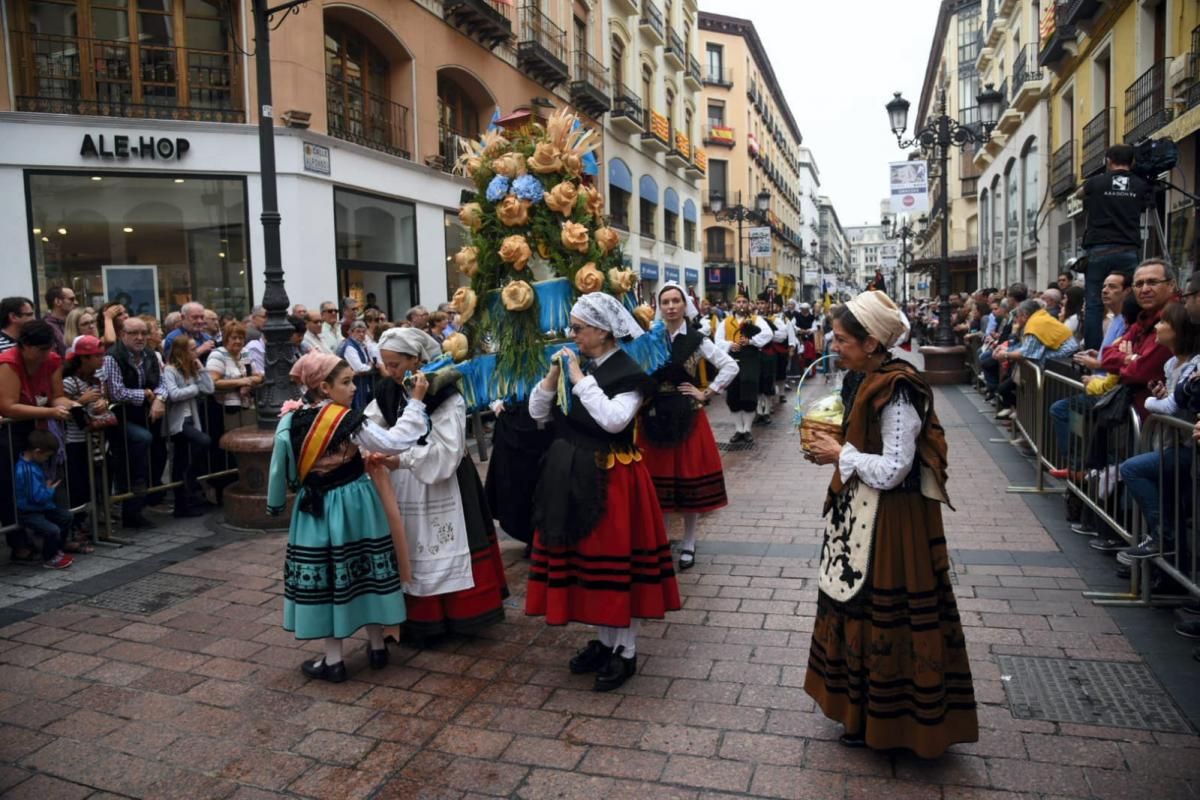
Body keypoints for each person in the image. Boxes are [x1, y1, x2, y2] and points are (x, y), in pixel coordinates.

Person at [804, 290, 976, 758]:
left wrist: (841, 454)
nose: (833, 345)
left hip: (894, 522)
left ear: (873, 342)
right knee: (855, 607)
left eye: (841, 339)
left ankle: (894, 722)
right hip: (860, 512)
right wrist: (834, 449)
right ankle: (859, 712)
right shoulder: (861, 379)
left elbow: (895, 468)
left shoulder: (897, 388)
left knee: (887, 613)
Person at [526, 293, 681, 692]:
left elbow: (614, 421)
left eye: (577, 328)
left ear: (602, 331)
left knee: (614, 564)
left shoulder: (629, 372)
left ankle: (625, 650)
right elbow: (537, 413)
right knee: (588, 562)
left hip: (613, 476)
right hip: (572, 473)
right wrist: (552, 378)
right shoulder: (583, 365)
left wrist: (579, 380)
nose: (572, 334)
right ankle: (605, 639)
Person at [267, 351, 427, 681]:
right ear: (324, 387)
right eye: (346, 382)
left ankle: (333, 660)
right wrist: (416, 402)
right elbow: (394, 441)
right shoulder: (346, 421)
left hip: (315, 508)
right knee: (365, 567)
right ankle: (377, 647)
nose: (354, 388)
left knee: (328, 575)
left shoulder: (290, 419)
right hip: (355, 503)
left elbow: (278, 470)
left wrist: (275, 505)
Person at [367, 327, 509, 641]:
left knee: (444, 541)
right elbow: (372, 426)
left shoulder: (446, 394)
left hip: (444, 481)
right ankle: (417, 618)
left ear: (416, 360)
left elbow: (448, 451)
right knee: (410, 542)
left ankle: (459, 616)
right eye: (385, 364)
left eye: (395, 364)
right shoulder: (386, 391)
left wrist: (403, 458)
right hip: (404, 482)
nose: (389, 372)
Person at [637, 283, 737, 571]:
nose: (670, 306)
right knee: (660, 481)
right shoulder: (650, 338)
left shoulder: (696, 339)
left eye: (675, 301)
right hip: (654, 415)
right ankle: (665, 539)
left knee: (689, 479)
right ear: (659, 305)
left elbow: (730, 365)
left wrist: (707, 392)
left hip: (687, 416)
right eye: (665, 301)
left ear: (684, 305)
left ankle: (690, 542)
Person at [1114, 301, 1200, 562]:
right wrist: (1164, 395)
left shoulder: (1193, 364)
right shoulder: (1172, 363)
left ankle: (1165, 538)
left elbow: (1173, 406)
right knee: (1170, 500)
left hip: (1187, 448)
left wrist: (1153, 403)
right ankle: (1172, 562)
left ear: (1179, 330)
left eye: (1164, 323)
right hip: (1171, 443)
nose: (1158, 327)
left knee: (1133, 468)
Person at [1080, 144, 1155, 350]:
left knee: (1094, 304)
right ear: (1132, 162)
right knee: (1135, 299)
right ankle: (1133, 344)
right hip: (1127, 250)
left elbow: (1080, 196)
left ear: (1108, 161)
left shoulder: (1095, 183)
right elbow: (1145, 205)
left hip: (1098, 250)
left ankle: (1093, 351)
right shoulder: (1141, 185)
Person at [102, 316, 167, 529]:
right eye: (133, 333)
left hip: (149, 417)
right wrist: (145, 394)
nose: (140, 337)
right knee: (135, 458)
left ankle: (140, 507)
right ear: (122, 335)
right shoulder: (112, 357)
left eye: (143, 333)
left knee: (155, 455)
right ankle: (131, 512)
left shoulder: (153, 354)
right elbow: (115, 392)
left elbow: (163, 383)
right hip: (122, 419)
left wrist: (159, 398)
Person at [61, 335, 110, 552]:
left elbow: (101, 403)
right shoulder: (68, 381)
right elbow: (66, 411)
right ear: (83, 358)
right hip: (74, 441)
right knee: (77, 488)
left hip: (96, 440)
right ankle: (74, 531)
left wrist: (102, 403)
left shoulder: (96, 379)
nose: (101, 359)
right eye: (97, 356)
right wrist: (81, 402)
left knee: (97, 484)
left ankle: (91, 527)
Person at [162, 335, 215, 518]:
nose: (196, 352)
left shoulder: (191, 369)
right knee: (202, 443)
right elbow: (174, 394)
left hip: (192, 419)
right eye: (192, 349)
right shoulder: (170, 370)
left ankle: (184, 501)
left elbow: (209, 389)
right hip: (179, 422)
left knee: (183, 460)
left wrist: (201, 369)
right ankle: (185, 495)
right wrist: (194, 389)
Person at [715, 293, 773, 444]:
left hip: (750, 359)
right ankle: (738, 429)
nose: (741, 304)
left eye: (744, 302)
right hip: (732, 360)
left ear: (749, 304)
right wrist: (729, 345)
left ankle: (747, 429)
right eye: (738, 302)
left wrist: (751, 341)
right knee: (733, 393)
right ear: (734, 304)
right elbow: (717, 340)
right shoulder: (726, 322)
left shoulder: (756, 319)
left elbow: (768, 334)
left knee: (748, 391)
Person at [15, 429, 74, 570]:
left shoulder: (32, 465)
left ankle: (57, 550)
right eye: (47, 456)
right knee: (52, 529)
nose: (47, 459)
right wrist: (50, 488)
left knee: (66, 516)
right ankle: (50, 558)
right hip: (29, 511)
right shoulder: (25, 470)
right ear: (37, 452)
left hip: (40, 507)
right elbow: (37, 497)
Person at [336, 320, 374, 411]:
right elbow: (359, 368)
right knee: (357, 409)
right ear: (351, 332)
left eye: (363, 332)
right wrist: (371, 367)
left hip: (363, 383)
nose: (361, 334)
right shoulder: (350, 347)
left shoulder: (361, 345)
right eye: (358, 331)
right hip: (354, 384)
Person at [43, 286, 77, 357]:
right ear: (57, 301)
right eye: (71, 299)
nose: (76, 302)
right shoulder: (46, 327)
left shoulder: (73, 322)